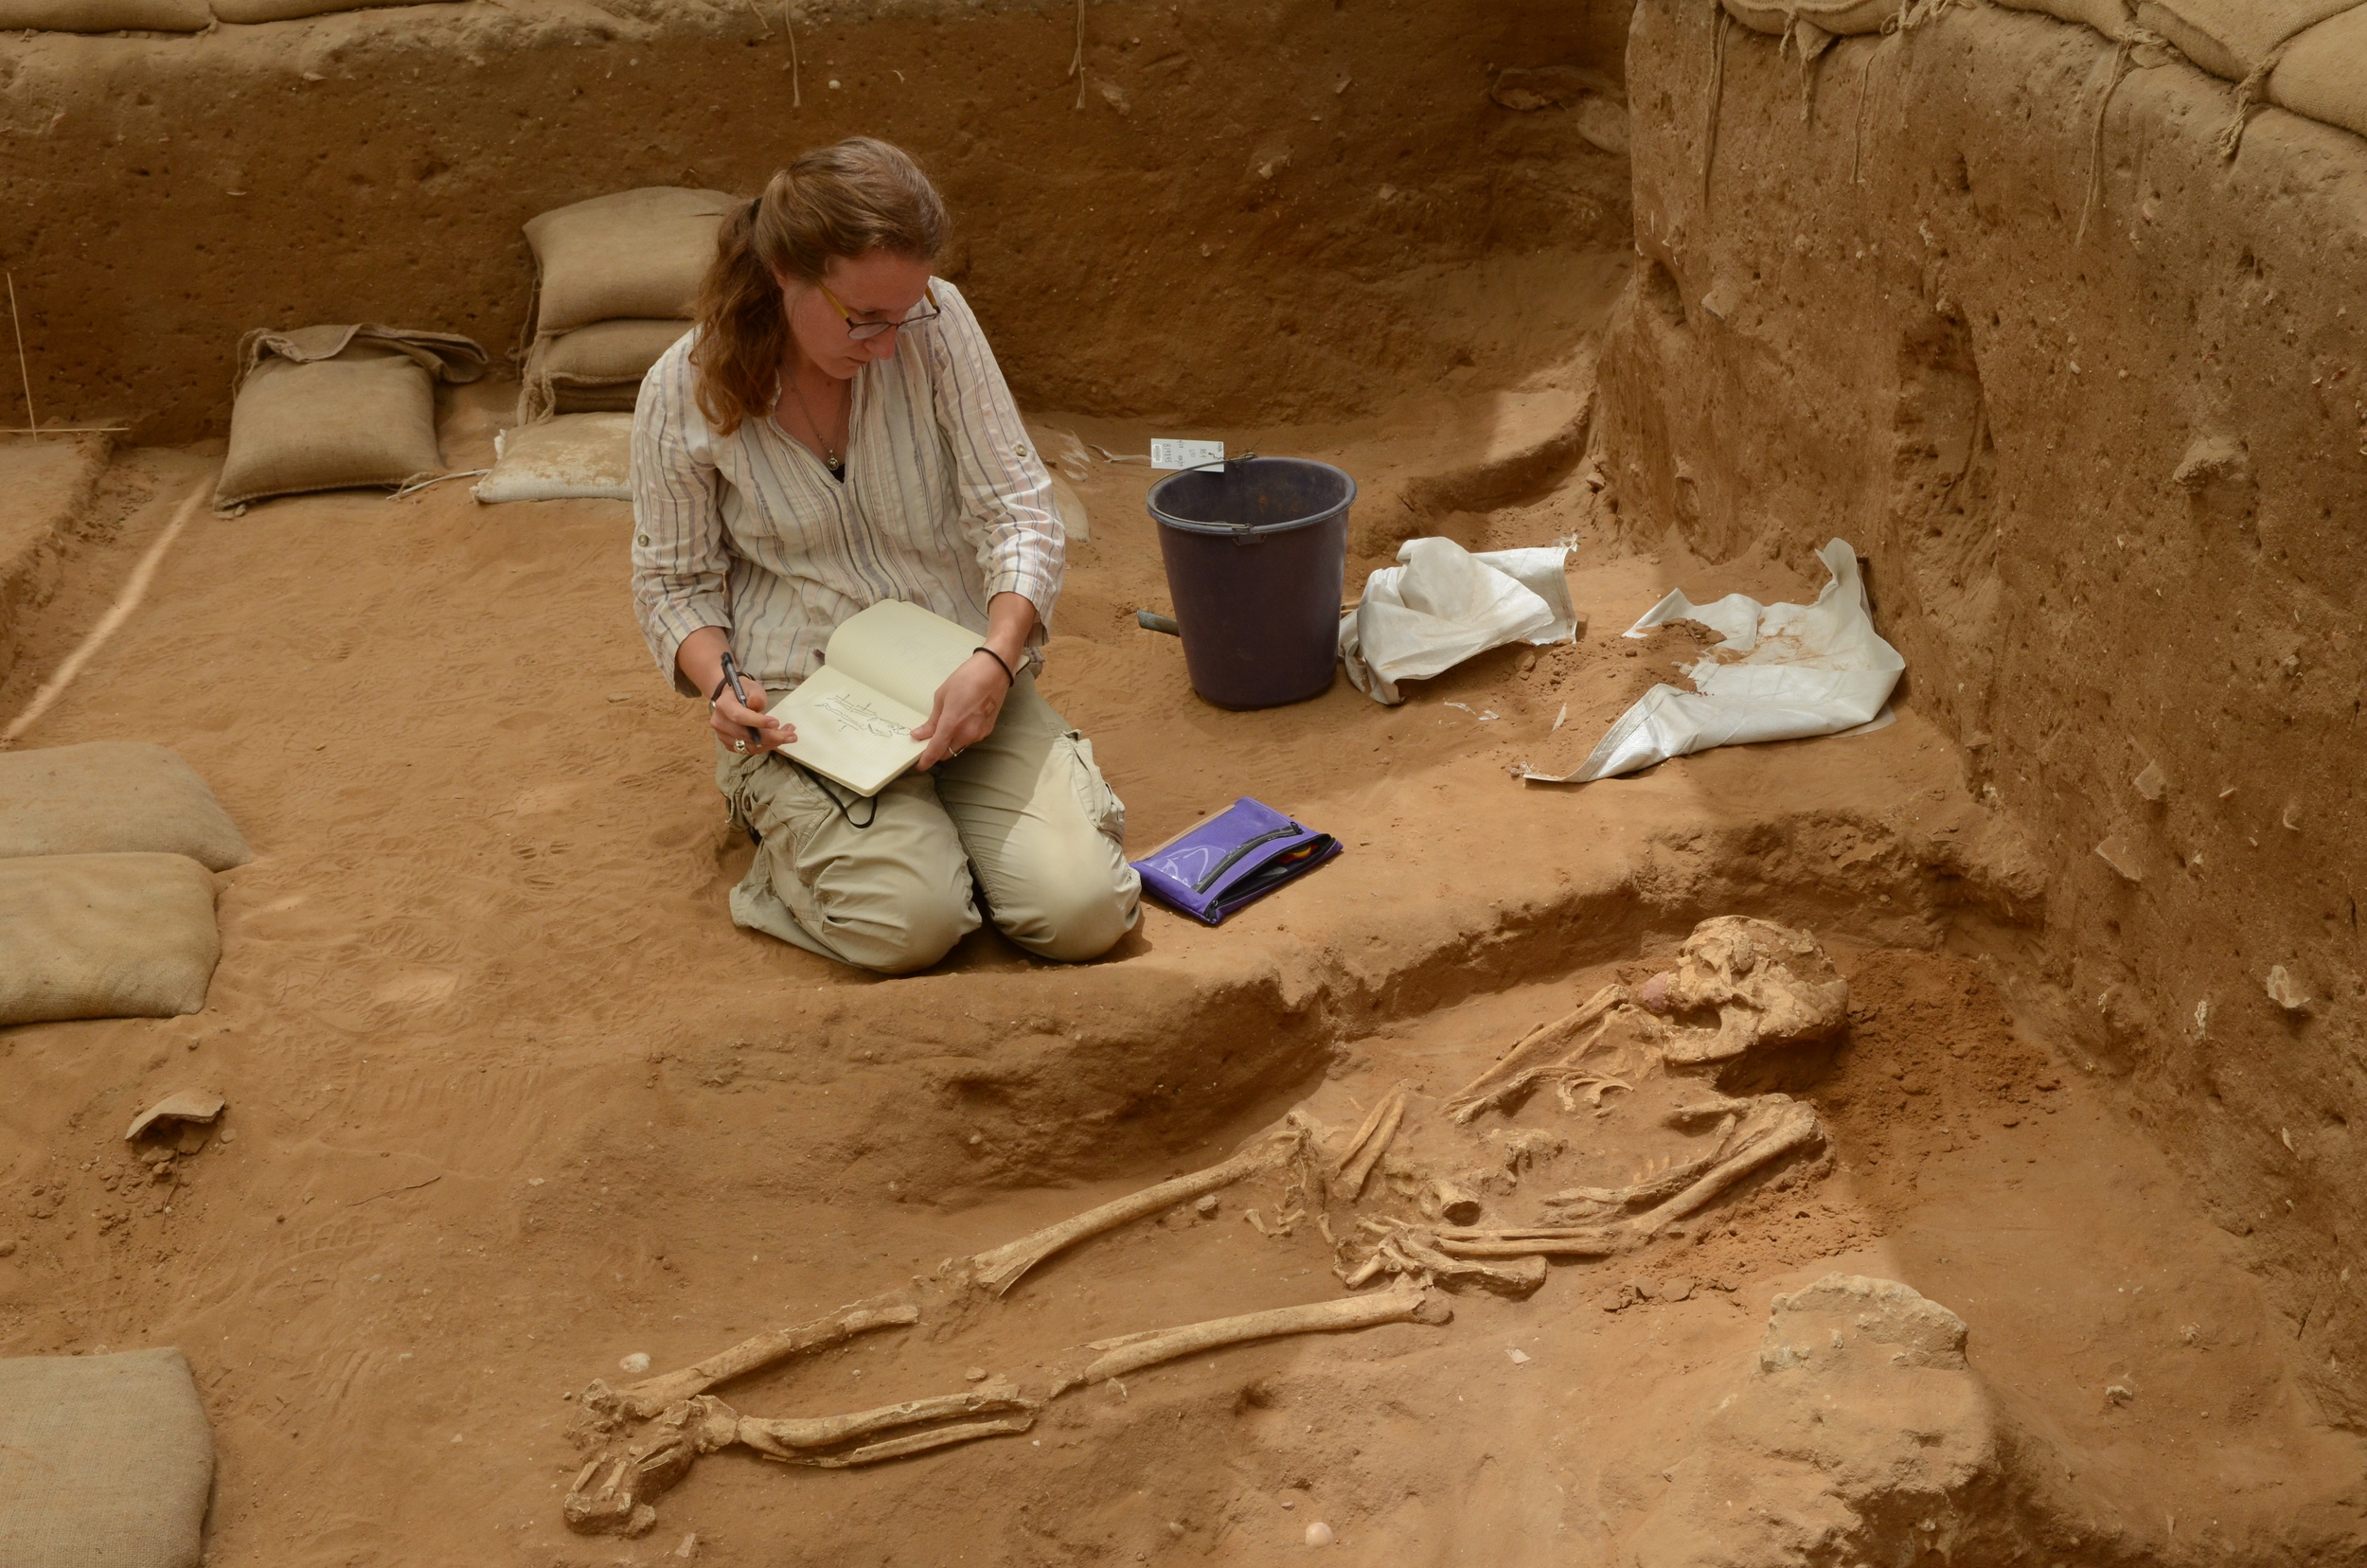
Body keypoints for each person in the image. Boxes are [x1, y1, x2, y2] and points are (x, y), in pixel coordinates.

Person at [630, 137, 1140, 974]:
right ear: (783, 274)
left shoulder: (940, 326)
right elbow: (674, 583)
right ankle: (787, 848)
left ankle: (951, 832)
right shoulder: (680, 392)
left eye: (905, 314)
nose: (889, 344)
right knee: (915, 925)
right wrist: (722, 683)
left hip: (961, 678)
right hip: (807, 706)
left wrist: (996, 658)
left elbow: (1018, 509)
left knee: (1083, 914)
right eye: (863, 318)